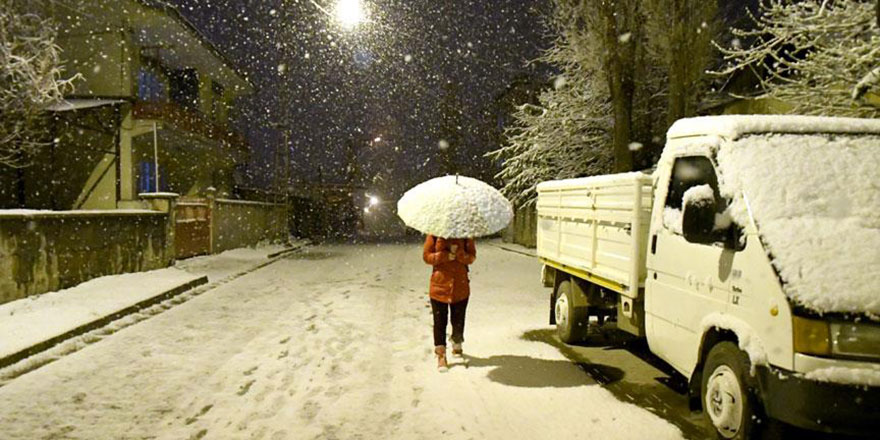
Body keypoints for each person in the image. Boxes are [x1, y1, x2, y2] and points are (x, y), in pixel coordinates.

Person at [422, 234, 476, 372]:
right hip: (439, 286)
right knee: (440, 321)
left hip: (460, 286)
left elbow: (472, 257)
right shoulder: (434, 234)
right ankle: (441, 354)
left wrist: (459, 254)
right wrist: (444, 256)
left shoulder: (465, 235)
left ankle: (457, 343)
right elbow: (427, 257)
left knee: (458, 319)